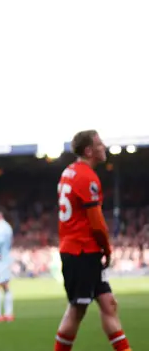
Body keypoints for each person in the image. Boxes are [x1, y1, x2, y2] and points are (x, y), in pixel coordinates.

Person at [54, 130, 132, 351]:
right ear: (88, 150)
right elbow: (96, 223)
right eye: (99, 144)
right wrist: (106, 249)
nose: (103, 146)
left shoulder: (68, 172)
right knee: (76, 310)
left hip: (78, 249)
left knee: (109, 304)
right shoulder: (87, 177)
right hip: (82, 251)